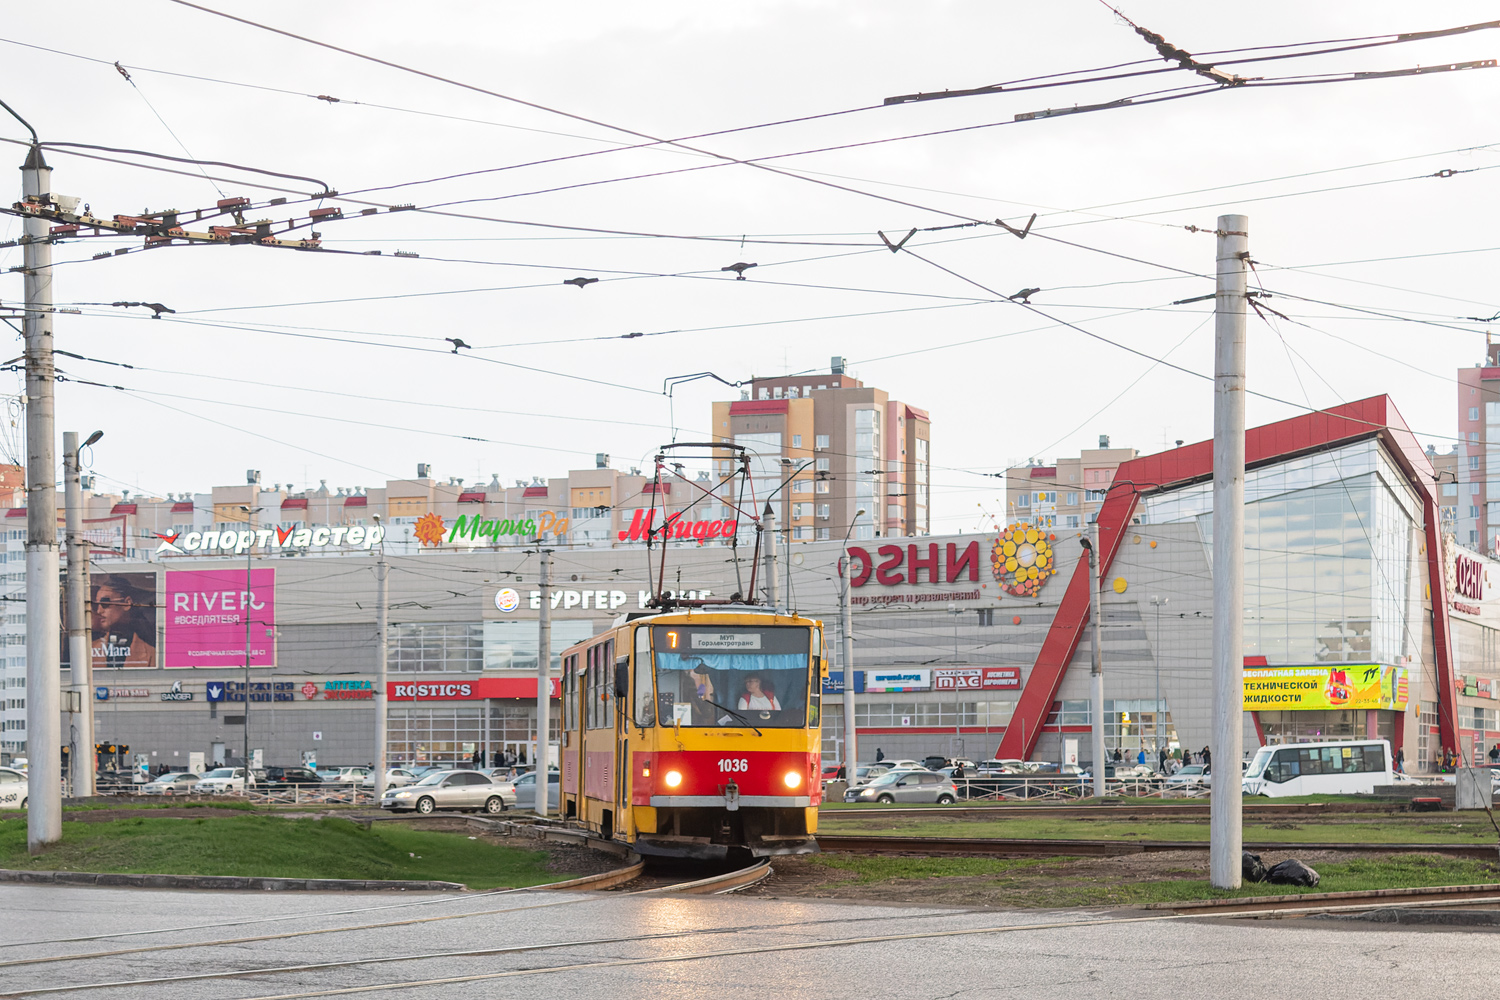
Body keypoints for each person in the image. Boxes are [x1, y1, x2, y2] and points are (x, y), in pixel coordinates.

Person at [90, 574, 157, 669]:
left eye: (105, 603)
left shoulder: (150, 654)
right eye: (96, 605)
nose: (99, 611)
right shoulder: (90, 650)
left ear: (126, 603)